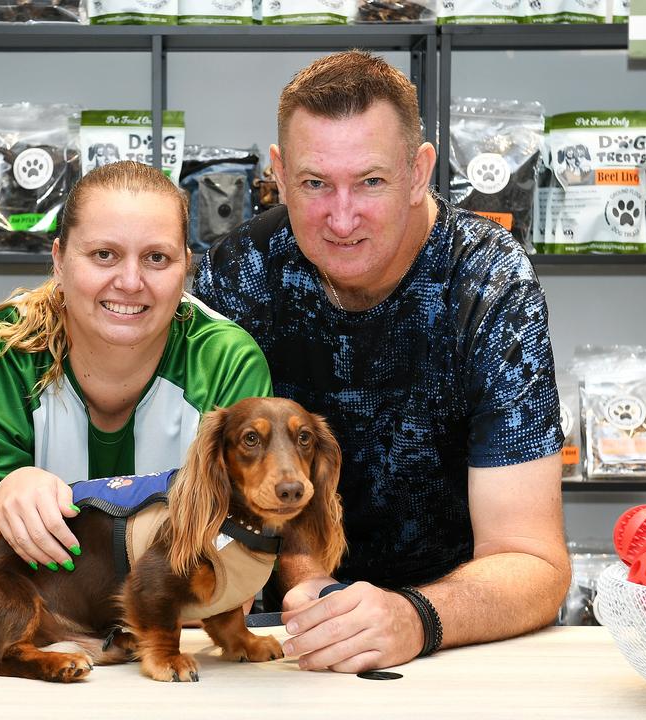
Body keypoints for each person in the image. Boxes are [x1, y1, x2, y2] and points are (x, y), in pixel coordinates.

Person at [194, 51, 571, 673]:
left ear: (420, 171)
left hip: (448, 635)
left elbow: (534, 561)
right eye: (315, 184)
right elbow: (188, 488)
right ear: (280, 174)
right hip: (263, 641)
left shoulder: (487, 283)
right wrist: (303, 579)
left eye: (371, 181)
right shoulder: (240, 274)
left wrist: (413, 617)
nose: (342, 219)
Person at [0, 160, 272, 572]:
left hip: (179, 635)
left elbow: (237, 567)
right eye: (104, 254)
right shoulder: (0, 355)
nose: (130, 282)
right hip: (35, 631)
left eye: (156, 258)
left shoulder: (226, 362)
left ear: (185, 267)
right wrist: (2, 508)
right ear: (59, 260)